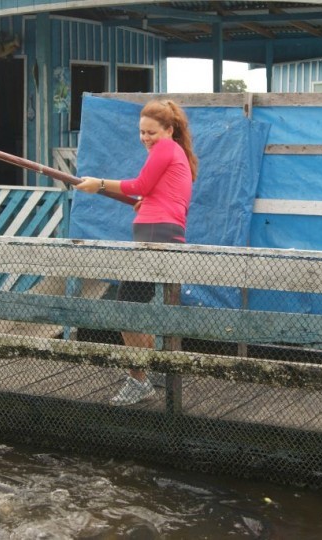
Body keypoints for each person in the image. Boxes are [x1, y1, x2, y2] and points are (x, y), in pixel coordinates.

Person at [75, 99, 198, 406]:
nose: (145, 138)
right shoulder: (176, 152)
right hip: (161, 232)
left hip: (155, 234)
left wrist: (99, 184)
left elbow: (141, 183)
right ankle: (144, 371)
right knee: (136, 308)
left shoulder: (166, 149)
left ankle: (139, 380)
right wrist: (148, 200)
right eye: (142, 132)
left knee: (126, 308)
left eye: (151, 132)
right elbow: (163, 193)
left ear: (169, 130)